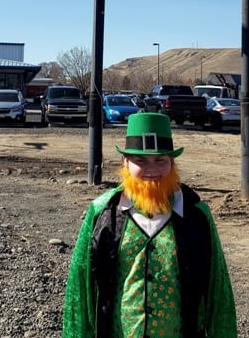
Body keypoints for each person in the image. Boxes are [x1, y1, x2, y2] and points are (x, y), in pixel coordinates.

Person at [62, 112, 238, 337]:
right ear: (125, 162)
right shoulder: (103, 213)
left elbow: (218, 290)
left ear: (172, 162)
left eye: (160, 160)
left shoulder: (196, 215)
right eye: (140, 160)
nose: (151, 169)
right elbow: (80, 288)